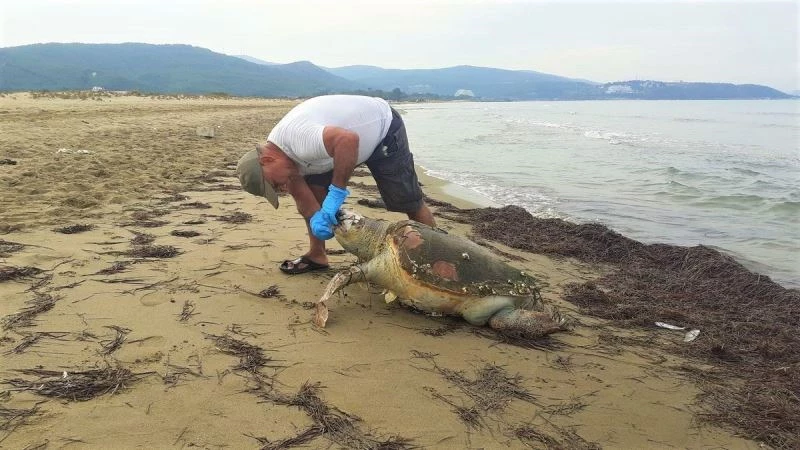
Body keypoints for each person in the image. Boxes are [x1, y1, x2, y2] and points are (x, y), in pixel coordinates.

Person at [236, 94, 437, 274]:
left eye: (273, 184)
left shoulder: (300, 140)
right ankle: (317, 255)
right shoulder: (285, 163)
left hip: (382, 129)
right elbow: (304, 202)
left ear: (267, 160)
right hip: (336, 147)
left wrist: (337, 192)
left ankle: (436, 259)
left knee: (407, 201)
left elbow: (348, 139)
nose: (280, 189)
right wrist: (317, 220)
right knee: (314, 192)